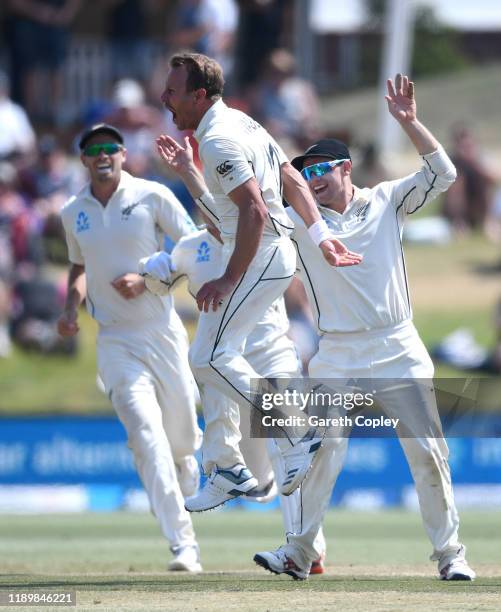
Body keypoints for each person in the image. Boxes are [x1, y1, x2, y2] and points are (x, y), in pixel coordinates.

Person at [252, 74, 476, 581]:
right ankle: (299, 552)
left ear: (345, 168)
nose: (313, 179)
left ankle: (451, 555)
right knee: (321, 451)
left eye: (322, 169)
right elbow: (245, 211)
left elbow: (443, 173)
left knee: (427, 453)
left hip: (397, 343)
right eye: (305, 172)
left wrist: (410, 123)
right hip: (337, 352)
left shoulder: (385, 200)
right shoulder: (299, 220)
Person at [158, 52, 362, 512]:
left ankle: (293, 430)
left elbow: (253, 210)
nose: (164, 99)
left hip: (260, 258)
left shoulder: (219, 139)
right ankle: (226, 465)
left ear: (198, 95)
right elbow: (289, 174)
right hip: (264, 251)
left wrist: (229, 278)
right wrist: (320, 232)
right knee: (212, 360)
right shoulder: (242, 123)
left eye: (172, 91)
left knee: (208, 356)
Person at [140, 218, 327, 574]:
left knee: (285, 445)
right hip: (228, 371)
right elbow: (158, 285)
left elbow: (304, 268)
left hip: (272, 351)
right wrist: (150, 269)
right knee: (262, 472)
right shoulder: (190, 247)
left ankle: (304, 549)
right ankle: (245, 475)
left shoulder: (259, 236)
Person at [56, 123, 203, 572]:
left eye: (110, 148)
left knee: (180, 443)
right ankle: (183, 545)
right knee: (146, 437)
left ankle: (186, 462)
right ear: (84, 159)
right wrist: (69, 308)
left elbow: (193, 246)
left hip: (161, 331)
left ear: (123, 154)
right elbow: (78, 266)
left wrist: (149, 280)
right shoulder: (72, 211)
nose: (103, 155)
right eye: (94, 149)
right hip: (115, 341)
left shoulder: (152, 195)